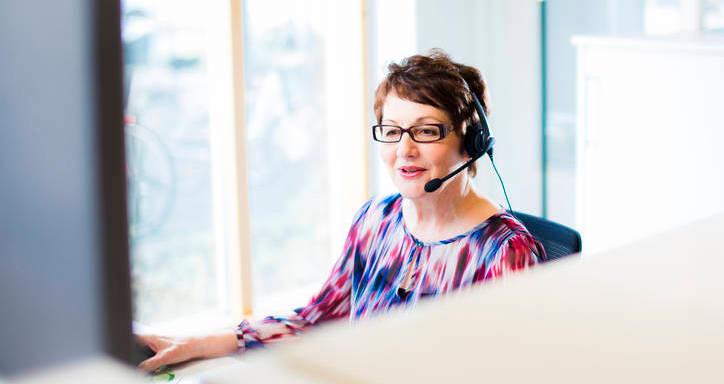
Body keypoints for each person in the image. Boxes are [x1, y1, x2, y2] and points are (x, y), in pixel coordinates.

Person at [137, 49, 547, 372]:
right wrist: (197, 343)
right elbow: (318, 320)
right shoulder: (377, 220)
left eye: (425, 130)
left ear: (472, 141)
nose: (404, 149)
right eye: (392, 131)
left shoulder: (505, 253)